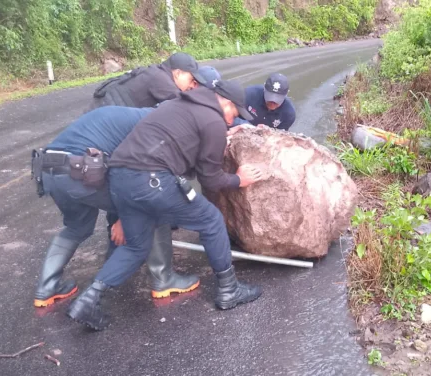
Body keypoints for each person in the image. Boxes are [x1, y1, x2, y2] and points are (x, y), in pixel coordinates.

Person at [66, 80, 264, 331]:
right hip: (152, 180)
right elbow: (211, 180)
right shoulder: (213, 120)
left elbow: (180, 140)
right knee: (211, 220)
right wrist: (239, 180)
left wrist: (219, 137)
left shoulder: (178, 104)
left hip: (119, 179)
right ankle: (229, 289)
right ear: (224, 101)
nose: (231, 121)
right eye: (234, 114)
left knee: (138, 246)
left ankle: (89, 298)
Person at [31, 106, 200, 308]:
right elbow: (134, 175)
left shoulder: (124, 115)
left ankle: (46, 288)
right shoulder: (151, 126)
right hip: (83, 171)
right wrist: (125, 216)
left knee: (77, 227)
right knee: (153, 208)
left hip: (49, 170)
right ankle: (164, 279)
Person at [86, 52, 206, 112]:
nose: (192, 86)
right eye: (191, 80)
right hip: (99, 118)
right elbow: (185, 108)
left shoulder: (154, 71)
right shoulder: (162, 81)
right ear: (178, 73)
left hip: (99, 110)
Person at [231, 73, 296, 131]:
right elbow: (227, 115)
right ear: (264, 89)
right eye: (270, 96)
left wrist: (268, 131)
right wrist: (246, 125)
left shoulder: (289, 114)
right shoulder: (248, 94)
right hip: (239, 130)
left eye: (278, 98)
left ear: (286, 94)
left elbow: (281, 136)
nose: (273, 102)